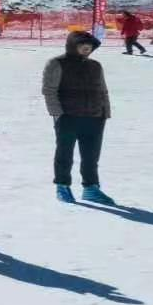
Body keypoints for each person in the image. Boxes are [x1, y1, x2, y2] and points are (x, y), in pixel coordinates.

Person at [43, 30, 114, 204]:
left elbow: (103, 90)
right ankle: (62, 186)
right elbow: (49, 91)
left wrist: (105, 112)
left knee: (91, 156)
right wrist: (57, 114)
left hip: (95, 117)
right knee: (64, 154)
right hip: (68, 116)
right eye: (83, 45)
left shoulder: (95, 65)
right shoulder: (56, 63)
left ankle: (91, 188)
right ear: (73, 45)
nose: (86, 49)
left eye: (89, 46)